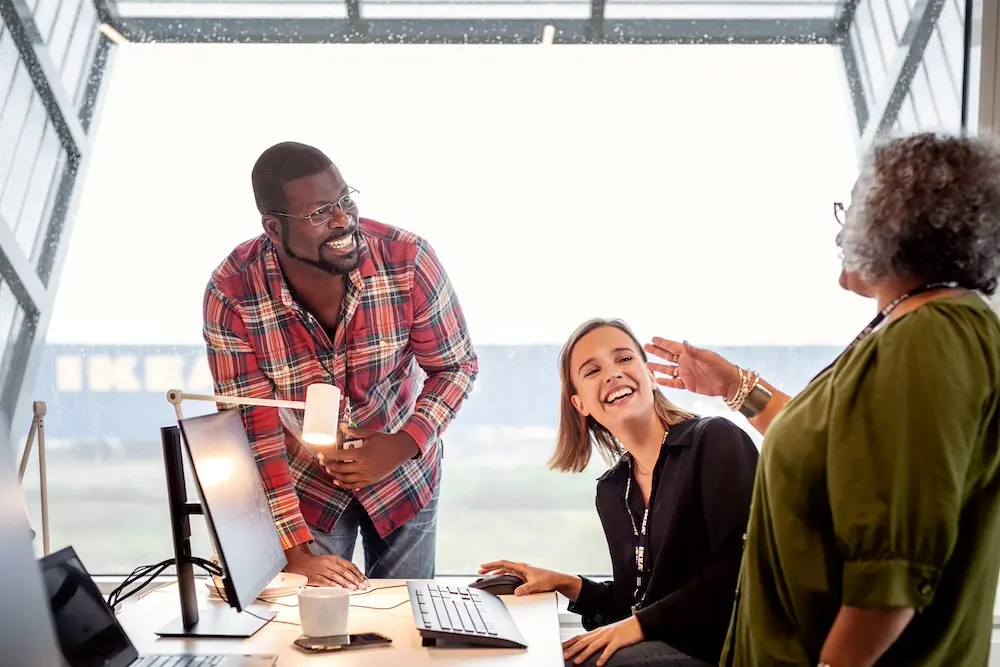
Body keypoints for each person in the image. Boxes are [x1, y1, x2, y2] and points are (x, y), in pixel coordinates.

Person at [645, 132, 1000, 667]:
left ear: (897, 222)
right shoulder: (907, 329)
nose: (841, 233)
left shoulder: (932, 337)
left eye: (852, 209)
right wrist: (731, 386)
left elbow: (892, 574)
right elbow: (829, 447)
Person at [203, 141, 478, 587]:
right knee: (311, 621)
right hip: (305, 487)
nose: (342, 220)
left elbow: (456, 367)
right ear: (273, 229)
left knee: (407, 621)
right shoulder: (231, 293)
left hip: (405, 470)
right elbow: (254, 429)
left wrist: (402, 444)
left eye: (345, 200)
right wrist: (294, 551)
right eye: (318, 213)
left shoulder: (408, 260)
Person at [480, 318, 758, 667]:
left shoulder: (715, 439)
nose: (613, 374)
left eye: (624, 359)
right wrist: (566, 584)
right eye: (592, 370)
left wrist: (639, 623)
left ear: (650, 375)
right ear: (580, 404)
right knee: (545, 655)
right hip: (669, 643)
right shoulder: (612, 490)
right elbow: (638, 602)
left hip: (727, 650)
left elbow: (739, 571)